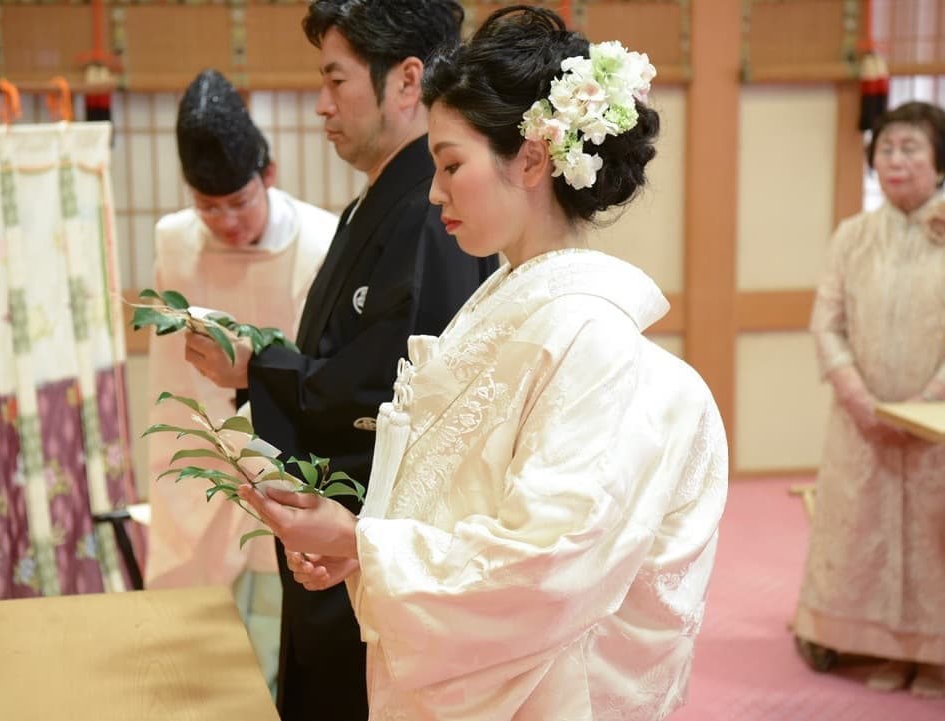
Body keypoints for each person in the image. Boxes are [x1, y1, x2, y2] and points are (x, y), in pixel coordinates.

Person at [239, 7, 730, 720]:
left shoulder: (590, 337)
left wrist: (361, 543)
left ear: (531, 159)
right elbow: (443, 493)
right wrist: (360, 552)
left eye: (450, 165)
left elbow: (548, 564)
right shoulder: (503, 302)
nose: (435, 192)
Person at [181, 3, 498, 719]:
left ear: (407, 80)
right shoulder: (382, 198)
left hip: (365, 535)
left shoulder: (429, 207)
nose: (322, 105)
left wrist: (257, 369)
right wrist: (260, 363)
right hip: (333, 533)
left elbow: (391, 390)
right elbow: (349, 358)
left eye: (336, 80)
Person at [143, 69, 335, 689]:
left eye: (239, 203)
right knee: (193, 633)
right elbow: (168, 371)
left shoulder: (320, 238)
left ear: (269, 175)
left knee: (278, 621)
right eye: (207, 207)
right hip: (196, 436)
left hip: (284, 447)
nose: (225, 223)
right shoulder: (175, 240)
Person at [793, 100, 945, 697]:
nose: (895, 159)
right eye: (886, 148)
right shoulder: (853, 235)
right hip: (861, 420)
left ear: (942, 161)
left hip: (940, 424)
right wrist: (861, 400)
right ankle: (883, 649)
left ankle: (935, 655)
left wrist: (929, 399)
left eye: (910, 148)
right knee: (864, 531)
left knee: (935, 539)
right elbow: (827, 323)